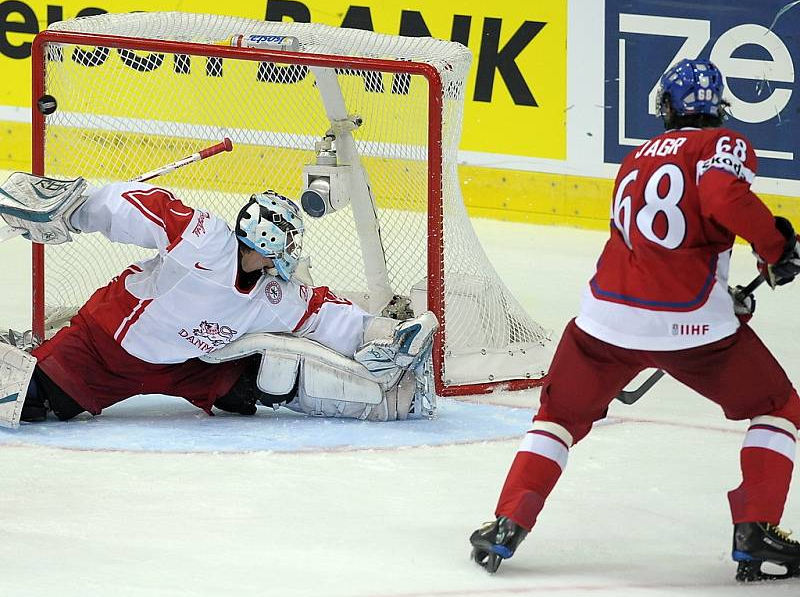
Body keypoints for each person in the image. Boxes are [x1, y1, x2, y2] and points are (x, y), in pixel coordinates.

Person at [469, 58, 800, 581]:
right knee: (778, 405)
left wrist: (726, 294)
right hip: (691, 328)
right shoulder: (720, 145)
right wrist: (776, 246)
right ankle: (755, 528)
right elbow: (720, 198)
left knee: (557, 418)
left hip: (601, 322)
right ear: (719, 110)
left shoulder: (635, 158)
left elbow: (654, 250)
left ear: (666, 107)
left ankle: (507, 522)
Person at [0, 177, 438, 427]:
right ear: (264, 241)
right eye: (285, 243)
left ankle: (382, 399)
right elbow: (137, 208)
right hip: (107, 346)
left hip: (188, 366)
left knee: (262, 382)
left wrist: (381, 332)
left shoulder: (274, 293)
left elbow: (324, 314)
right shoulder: (206, 241)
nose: (290, 253)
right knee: (29, 400)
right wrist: (76, 208)